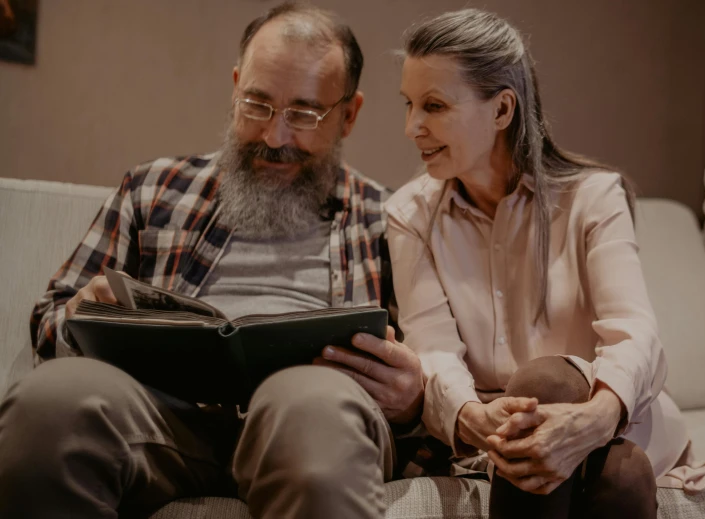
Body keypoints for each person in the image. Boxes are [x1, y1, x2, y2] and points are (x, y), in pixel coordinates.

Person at [0, 4, 424, 518]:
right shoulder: (154, 188)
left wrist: (413, 399)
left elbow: (437, 367)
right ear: (235, 86)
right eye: (258, 104)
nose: (275, 136)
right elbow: (52, 315)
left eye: (304, 114)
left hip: (314, 418)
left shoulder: (393, 220)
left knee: (312, 410)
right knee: (50, 404)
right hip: (162, 416)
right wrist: (81, 317)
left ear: (348, 115)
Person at [386, 8, 705, 519]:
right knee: (621, 473)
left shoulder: (593, 196)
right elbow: (432, 348)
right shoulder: (409, 215)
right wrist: (476, 417)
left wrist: (597, 416)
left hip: (610, 412)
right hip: (498, 430)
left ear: (502, 111)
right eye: (410, 104)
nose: (412, 127)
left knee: (546, 380)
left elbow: (634, 332)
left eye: (433, 105)